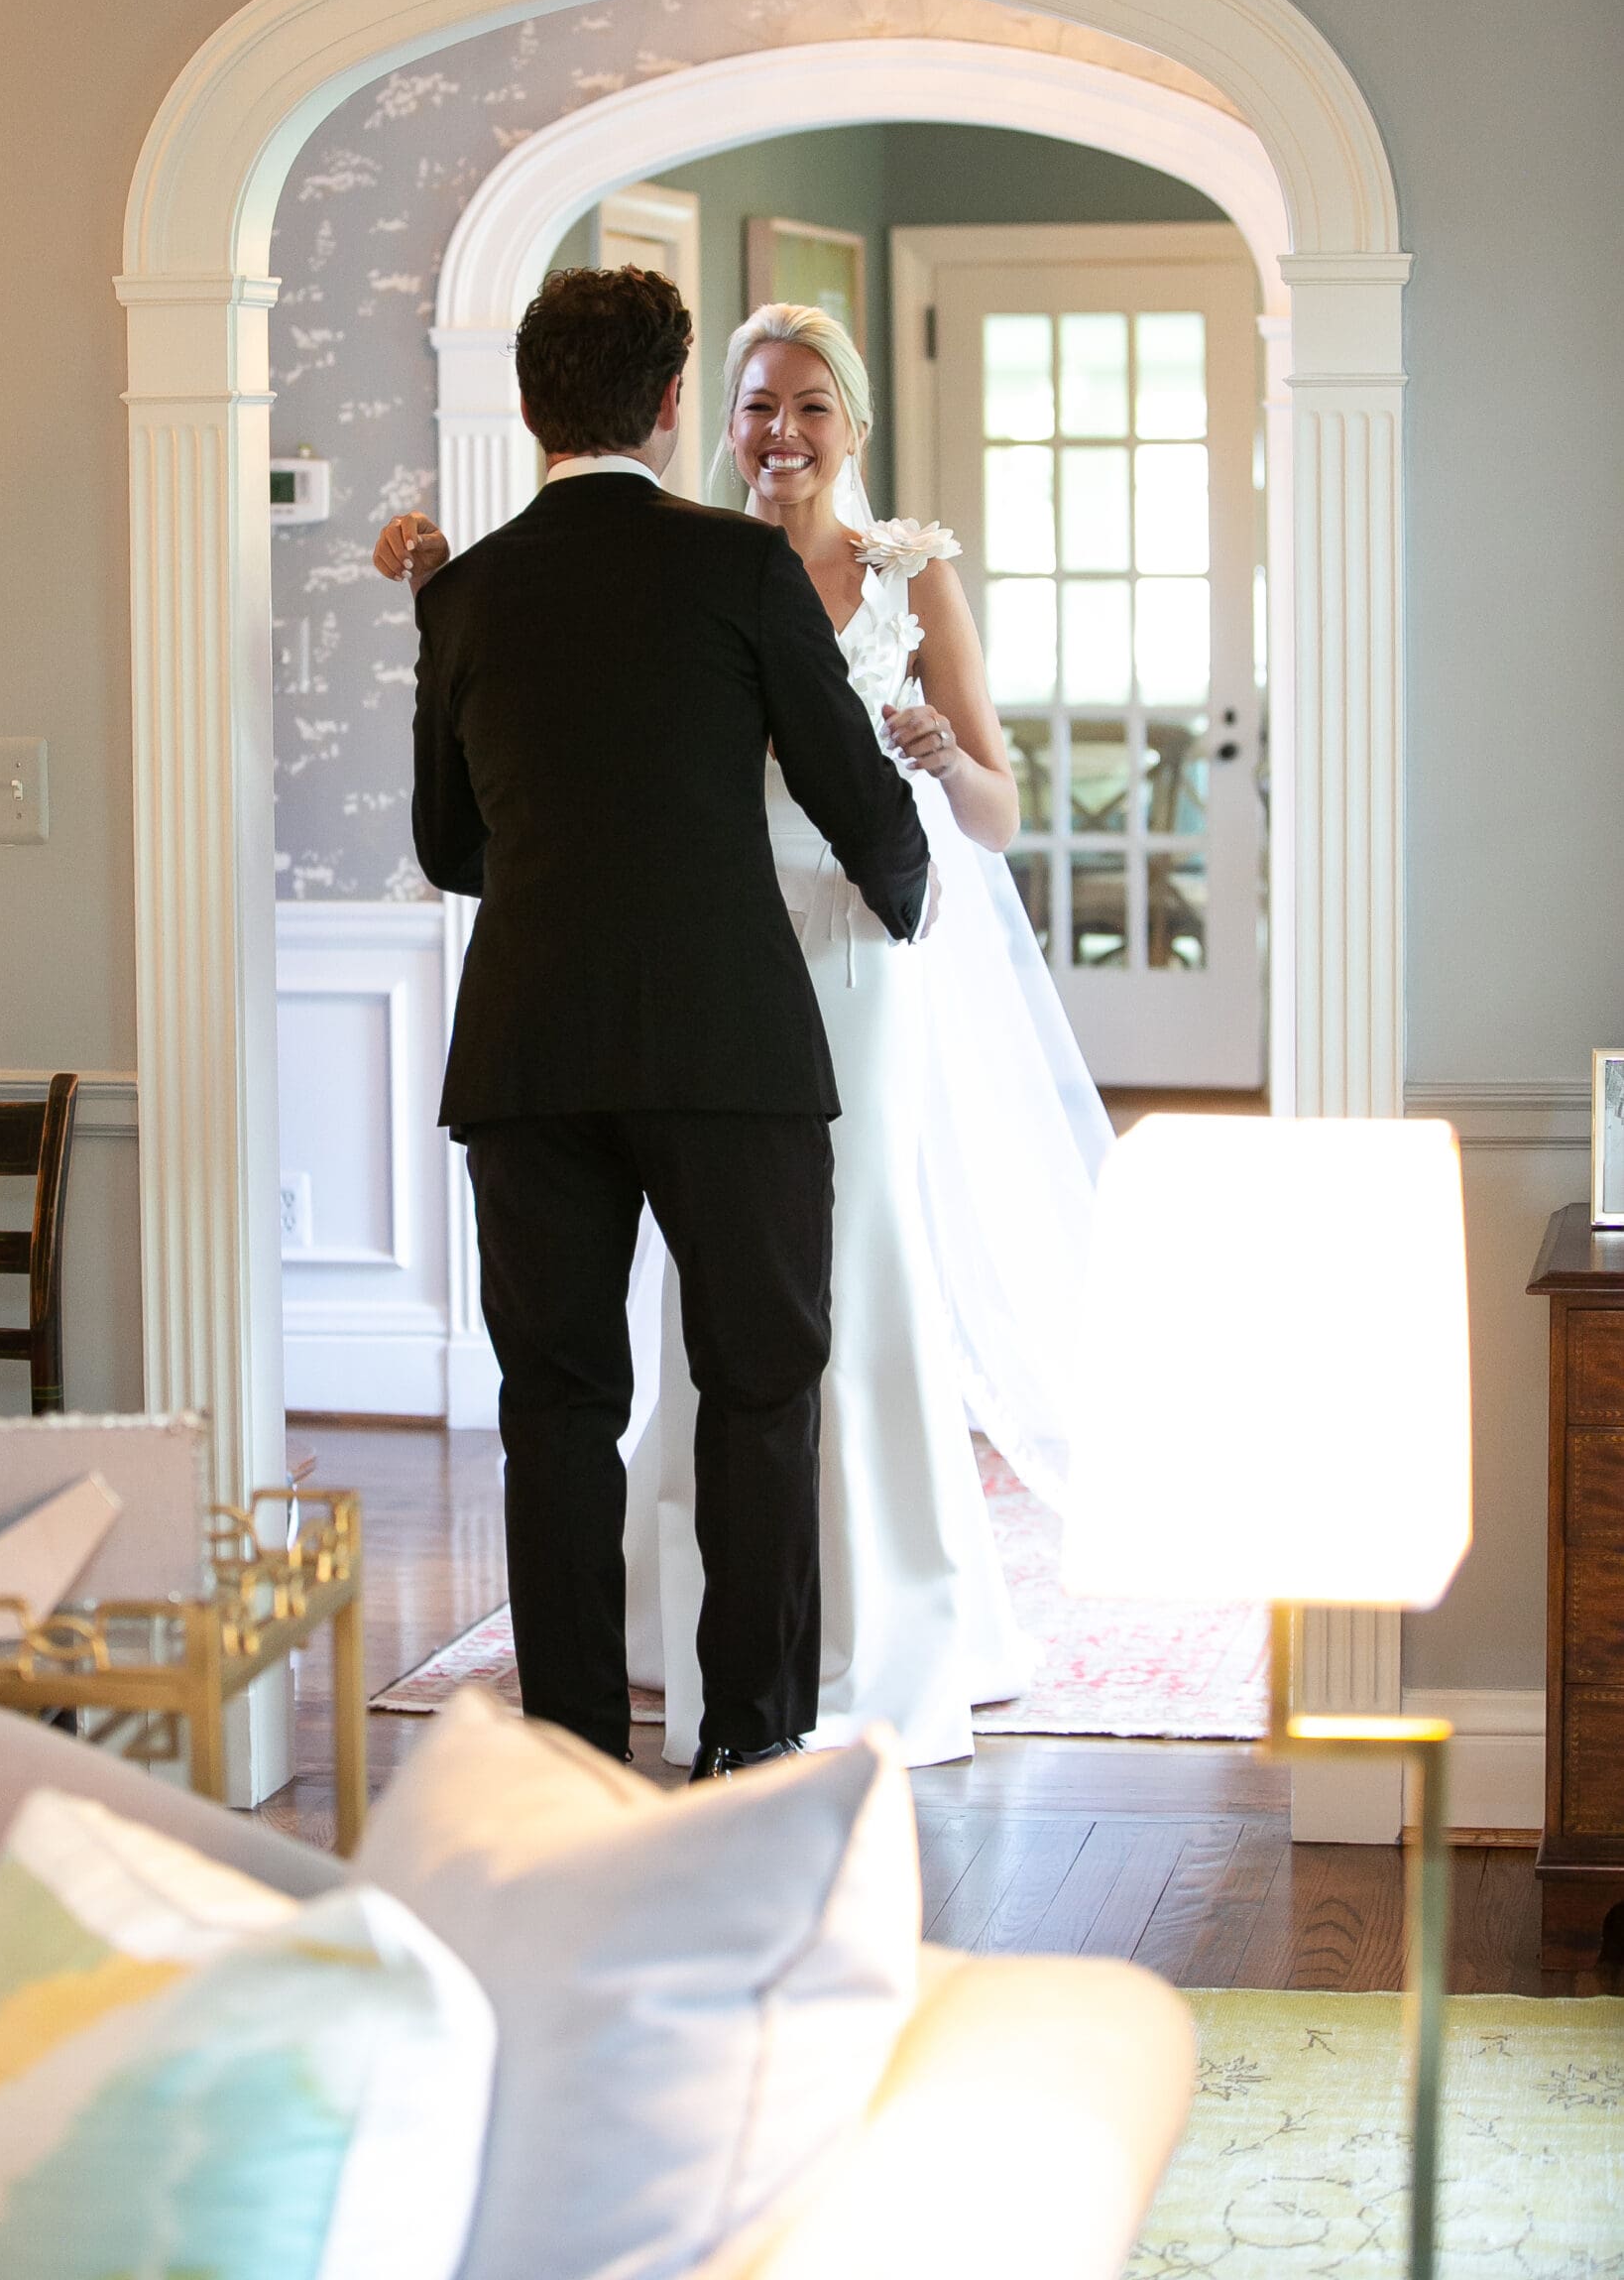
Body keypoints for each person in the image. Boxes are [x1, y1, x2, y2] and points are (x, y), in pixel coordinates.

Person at [382, 299, 1111, 1771]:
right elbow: (852, 788)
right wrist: (902, 894)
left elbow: (452, 849)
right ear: (675, 404)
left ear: (529, 410)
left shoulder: (466, 594)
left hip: (529, 1054)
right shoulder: (738, 564)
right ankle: (749, 1746)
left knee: (557, 1408)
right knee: (760, 1393)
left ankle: (573, 1754)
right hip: (734, 1045)